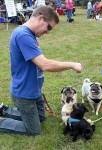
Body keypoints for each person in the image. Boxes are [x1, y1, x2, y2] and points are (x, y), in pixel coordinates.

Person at [0, 6, 82, 135]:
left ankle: (4, 110)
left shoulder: (29, 34)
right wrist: (72, 64)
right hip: (24, 93)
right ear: (40, 18)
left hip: (34, 91)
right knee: (34, 130)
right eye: (48, 27)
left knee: (41, 118)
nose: (48, 32)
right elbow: (45, 65)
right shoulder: (23, 35)